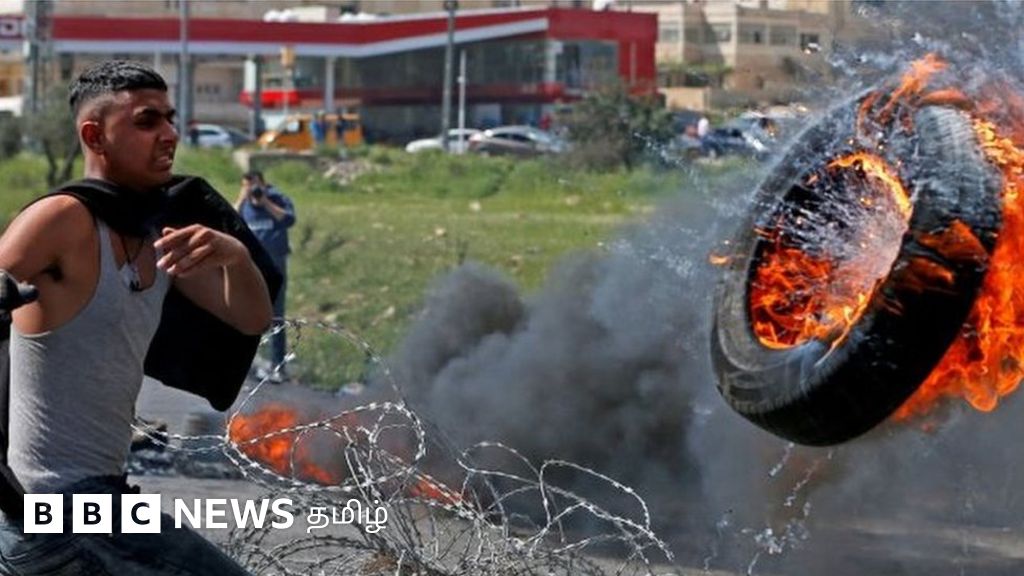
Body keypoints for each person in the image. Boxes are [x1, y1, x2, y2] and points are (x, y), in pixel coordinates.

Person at [0, 60, 272, 574]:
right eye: (147, 121)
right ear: (94, 136)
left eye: (170, 118)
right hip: (54, 509)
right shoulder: (63, 218)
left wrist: (235, 256)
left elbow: (251, 318)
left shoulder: (158, 236)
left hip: (103, 501)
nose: (169, 134)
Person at [235, 170, 296, 380]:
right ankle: (247, 363)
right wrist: (242, 198)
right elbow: (229, 222)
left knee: (276, 314)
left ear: (263, 184)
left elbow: (289, 220)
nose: (253, 190)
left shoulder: (277, 198)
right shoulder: (244, 205)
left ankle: (278, 365)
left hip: (275, 264)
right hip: (251, 266)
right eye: (248, 185)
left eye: (256, 185)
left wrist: (266, 203)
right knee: (246, 313)